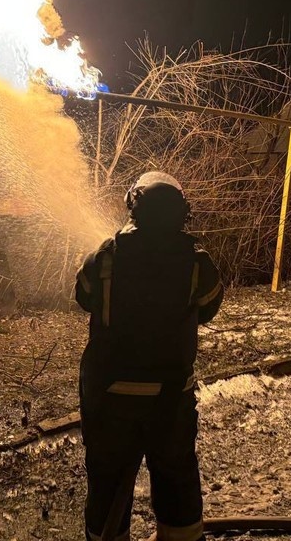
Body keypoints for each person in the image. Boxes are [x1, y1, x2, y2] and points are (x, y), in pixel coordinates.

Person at [75, 171, 224, 541]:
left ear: (133, 205)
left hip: (110, 399)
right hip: (171, 400)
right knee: (176, 481)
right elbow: (208, 307)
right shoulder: (197, 263)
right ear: (181, 212)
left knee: (107, 485)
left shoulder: (104, 257)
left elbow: (82, 297)